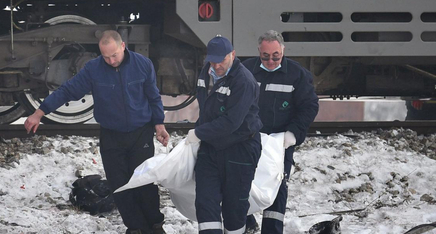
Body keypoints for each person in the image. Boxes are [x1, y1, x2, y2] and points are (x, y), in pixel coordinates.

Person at [25, 30, 170, 234]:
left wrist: (159, 124)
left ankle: (155, 225)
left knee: (144, 181)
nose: (110, 61)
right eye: (105, 56)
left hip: (140, 133)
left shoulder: (143, 64)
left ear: (123, 46)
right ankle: (136, 228)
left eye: (114, 55)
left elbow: (153, 96)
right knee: (119, 185)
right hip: (111, 135)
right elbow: (68, 90)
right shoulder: (93, 69)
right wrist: (40, 112)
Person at [241, 30, 319, 234]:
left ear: (283, 51)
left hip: (279, 141)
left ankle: (272, 230)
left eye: (276, 56)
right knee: (240, 181)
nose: (271, 61)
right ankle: (244, 224)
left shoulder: (296, 74)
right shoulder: (245, 70)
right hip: (248, 138)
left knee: (277, 185)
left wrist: (294, 133)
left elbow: (309, 106)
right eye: (265, 56)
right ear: (259, 51)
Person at [186, 35, 262, 234]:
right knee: (205, 201)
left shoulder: (243, 81)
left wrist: (199, 133)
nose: (217, 65)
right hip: (211, 148)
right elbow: (207, 109)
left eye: (222, 60)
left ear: (233, 55)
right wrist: (200, 132)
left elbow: (231, 122)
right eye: (213, 60)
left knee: (234, 208)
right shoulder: (206, 73)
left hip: (240, 148)